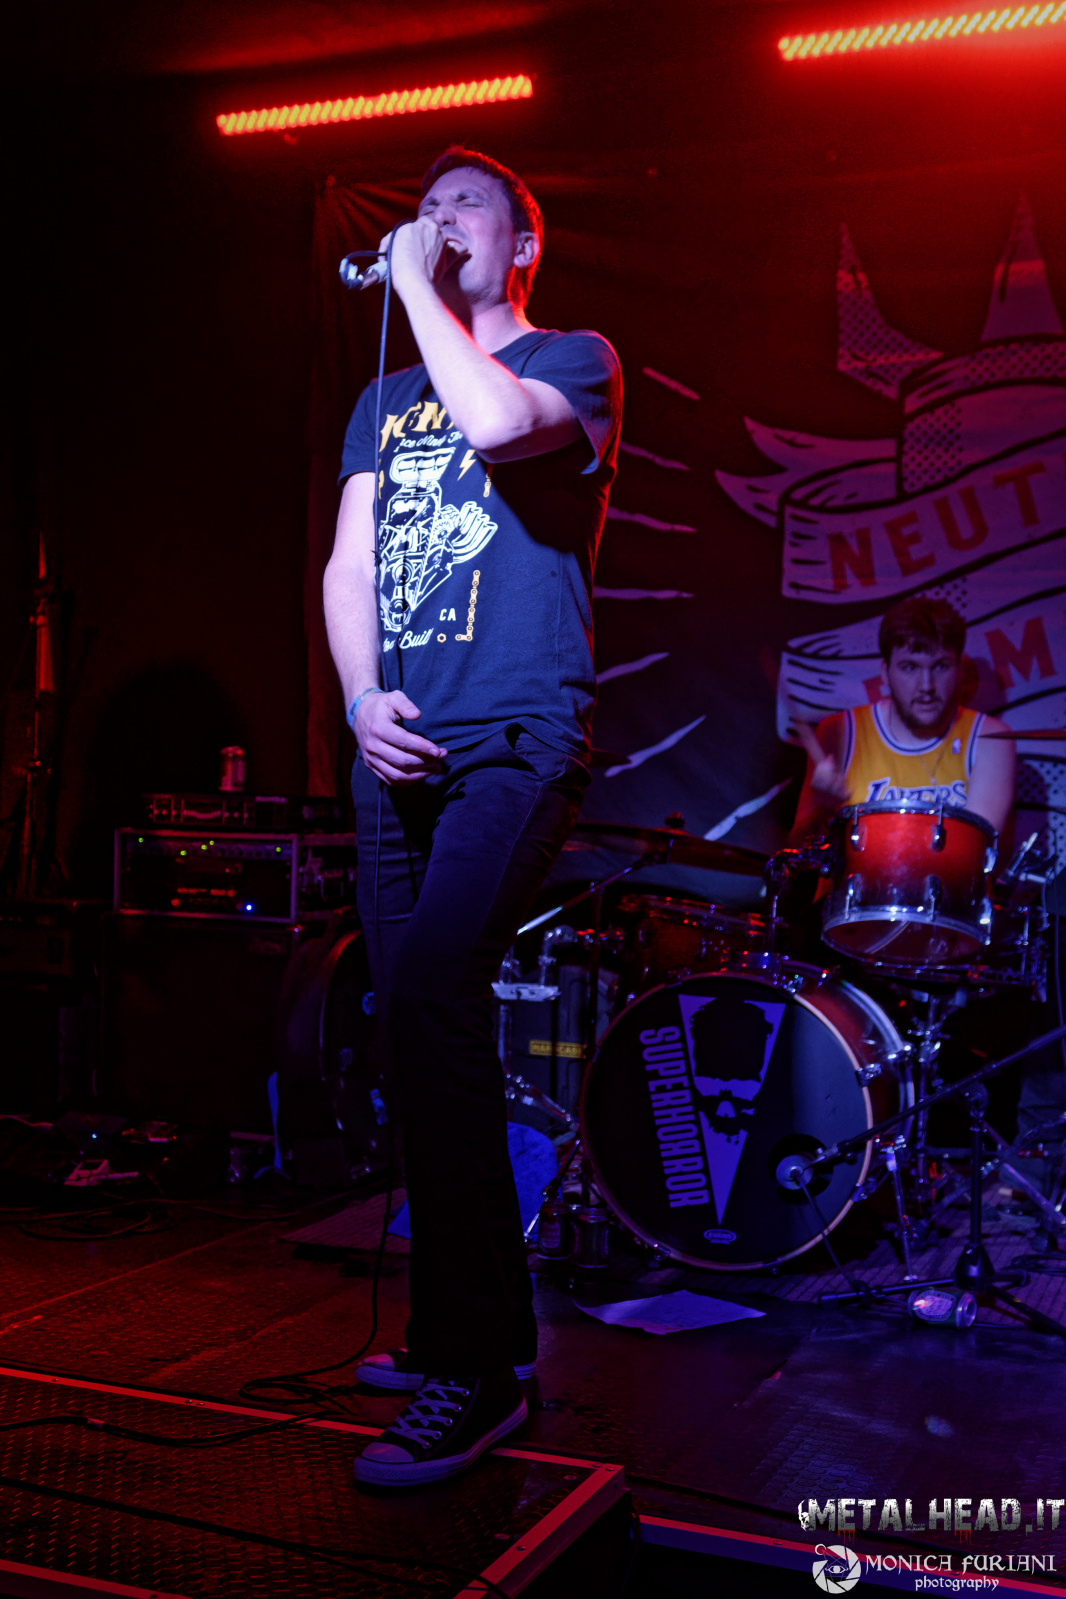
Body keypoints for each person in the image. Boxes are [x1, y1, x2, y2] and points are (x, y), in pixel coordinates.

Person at [322, 146, 622, 1487]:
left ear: (521, 244)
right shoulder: (382, 399)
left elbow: (497, 429)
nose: (435, 224)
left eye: (465, 209)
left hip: (514, 736)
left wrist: (413, 286)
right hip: (399, 746)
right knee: (408, 1021)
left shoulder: (572, 360)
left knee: (436, 990)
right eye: (424, 209)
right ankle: (463, 1322)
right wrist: (356, 697)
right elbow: (348, 563)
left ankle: (480, 1363)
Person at [791, 596, 1015, 843]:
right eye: (910, 667)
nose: (927, 686)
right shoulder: (840, 732)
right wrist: (823, 811)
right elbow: (798, 848)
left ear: (959, 670)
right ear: (885, 672)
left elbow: (974, 849)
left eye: (940, 666)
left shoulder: (990, 738)